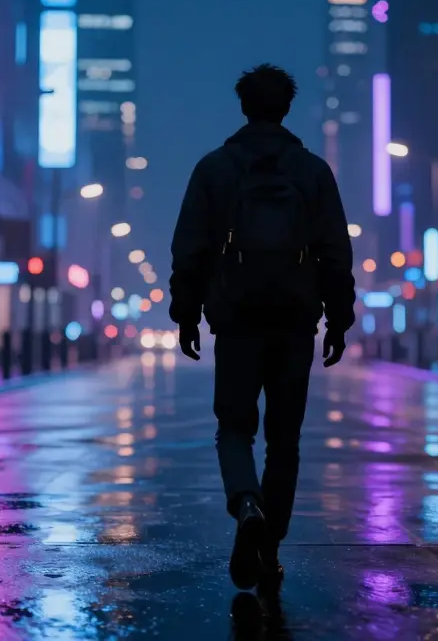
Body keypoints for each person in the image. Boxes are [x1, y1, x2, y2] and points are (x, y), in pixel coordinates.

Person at [169, 63, 357, 590]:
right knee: (284, 439)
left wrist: (186, 313)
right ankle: (268, 549)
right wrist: (339, 319)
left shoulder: (214, 168)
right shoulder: (313, 171)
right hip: (295, 320)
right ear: (287, 107)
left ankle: (246, 503)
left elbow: (190, 249)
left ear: (243, 106)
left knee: (234, 427)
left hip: (236, 318)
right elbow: (335, 252)